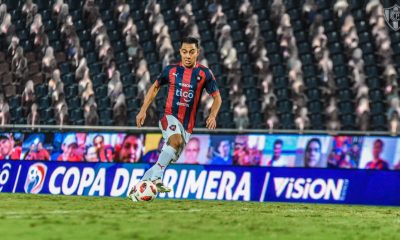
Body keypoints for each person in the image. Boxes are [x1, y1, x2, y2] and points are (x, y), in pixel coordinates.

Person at [130, 37, 222, 194]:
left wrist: (213, 115)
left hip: (187, 126)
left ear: (197, 53)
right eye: (184, 52)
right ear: (180, 52)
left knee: (167, 158)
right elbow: (154, 88)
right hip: (169, 116)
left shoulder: (204, 74)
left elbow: (217, 98)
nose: (187, 55)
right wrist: (143, 110)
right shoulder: (171, 70)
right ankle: (157, 179)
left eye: (191, 52)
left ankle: (139, 189)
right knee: (175, 140)